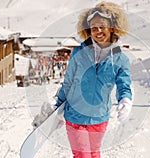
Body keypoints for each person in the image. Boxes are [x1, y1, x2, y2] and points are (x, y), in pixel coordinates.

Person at [34, 2, 132, 158]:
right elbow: (68, 82)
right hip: (75, 116)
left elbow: (124, 84)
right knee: (83, 156)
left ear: (112, 27)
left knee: (94, 154)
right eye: (93, 27)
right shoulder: (79, 53)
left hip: (100, 117)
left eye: (102, 26)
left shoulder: (121, 59)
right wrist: (57, 107)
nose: (98, 31)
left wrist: (125, 100)